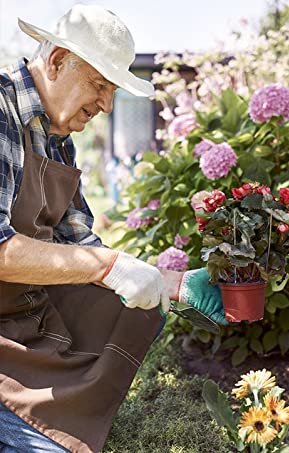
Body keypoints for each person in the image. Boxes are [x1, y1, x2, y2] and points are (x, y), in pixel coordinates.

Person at [0, 5, 228, 453]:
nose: (106, 105)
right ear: (57, 60)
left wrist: (178, 284)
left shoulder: (55, 138)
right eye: (100, 85)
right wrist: (107, 267)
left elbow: (81, 245)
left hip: (19, 325)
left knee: (131, 310)